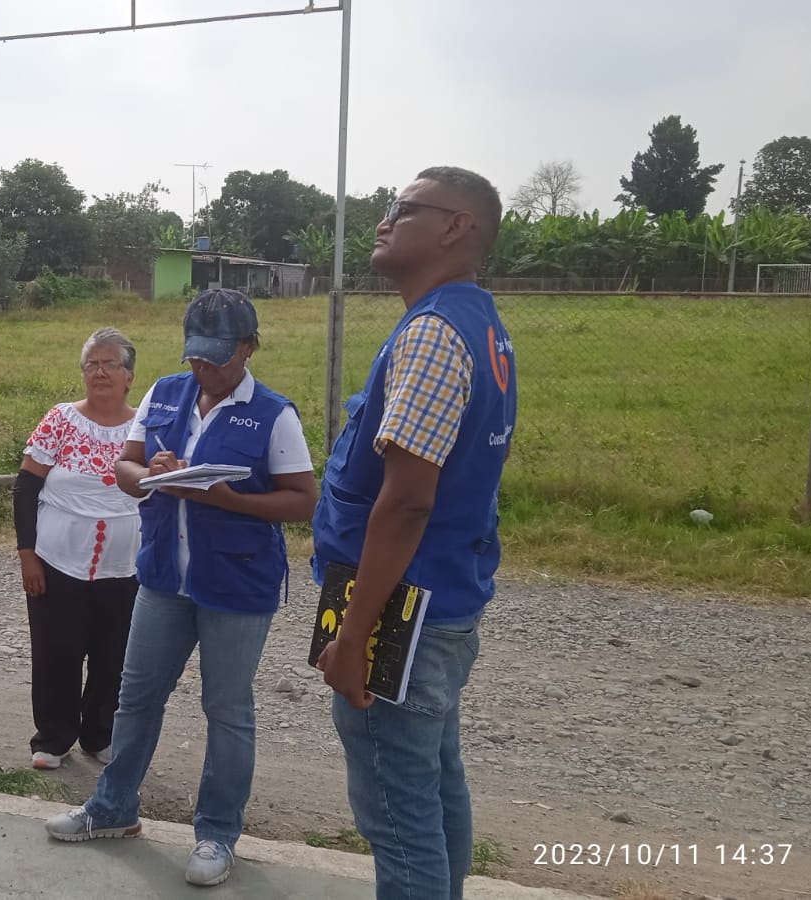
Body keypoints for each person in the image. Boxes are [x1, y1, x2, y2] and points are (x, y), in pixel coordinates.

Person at [46, 289, 318, 888]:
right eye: (195, 354)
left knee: (226, 709)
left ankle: (217, 833)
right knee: (137, 696)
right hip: (164, 577)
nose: (203, 368)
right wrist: (151, 475)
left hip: (237, 584)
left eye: (217, 357)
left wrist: (227, 499)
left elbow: (303, 500)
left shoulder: (273, 414)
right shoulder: (166, 393)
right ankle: (113, 808)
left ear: (248, 348)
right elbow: (125, 466)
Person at [312, 166, 516, 900]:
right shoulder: (479, 324)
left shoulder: (432, 334)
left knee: (399, 818)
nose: (383, 221)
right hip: (441, 597)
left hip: (402, 611)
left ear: (456, 227)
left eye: (401, 208)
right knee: (433, 785)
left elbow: (405, 504)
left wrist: (355, 635)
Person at [14, 327, 142, 771]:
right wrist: (27, 554)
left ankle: (100, 735)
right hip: (57, 560)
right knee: (56, 652)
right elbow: (26, 486)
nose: (100, 372)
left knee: (114, 654)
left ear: (129, 376)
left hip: (125, 566)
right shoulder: (61, 419)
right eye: (92, 364)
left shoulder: (146, 426)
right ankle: (52, 739)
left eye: (110, 364)